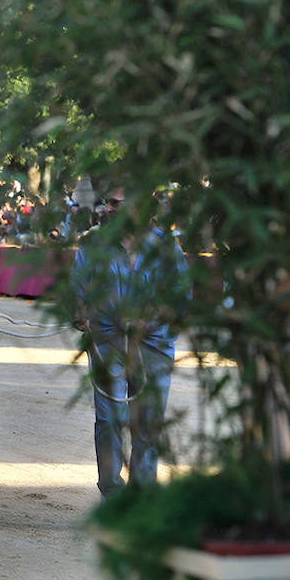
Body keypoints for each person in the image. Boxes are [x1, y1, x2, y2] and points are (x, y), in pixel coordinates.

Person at [70, 188, 189, 496]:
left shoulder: (165, 247)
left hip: (153, 345)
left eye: (115, 204)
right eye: (107, 202)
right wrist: (80, 313)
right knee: (110, 417)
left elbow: (180, 297)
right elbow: (77, 291)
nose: (107, 208)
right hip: (107, 341)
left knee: (147, 421)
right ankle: (111, 491)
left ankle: (141, 494)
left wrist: (148, 320)